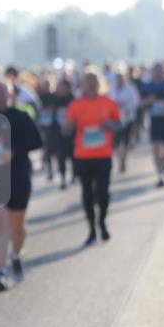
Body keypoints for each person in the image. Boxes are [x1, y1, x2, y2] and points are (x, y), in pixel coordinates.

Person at [0, 81, 44, 290]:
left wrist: (14, 151)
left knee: (16, 228)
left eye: (2, 92)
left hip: (18, 176)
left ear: (10, 95)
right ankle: (0, 271)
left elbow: (37, 142)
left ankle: (16, 255)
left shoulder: (21, 117)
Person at [64, 69, 121, 246]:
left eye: (94, 81)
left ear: (99, 83)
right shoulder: (75, 105)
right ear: (82, 84)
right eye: (87, 81)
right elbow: (65, 129)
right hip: (83, 156)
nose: (91, 84)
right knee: (87, 194)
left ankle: (102, 221)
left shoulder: (108, 103)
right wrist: (70, 126)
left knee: (103, 193)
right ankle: (91, 229)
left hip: (103, 155)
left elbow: (119, 124)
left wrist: (109, 125)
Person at [107, 71, 140, 173]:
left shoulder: (130, 88)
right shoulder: (112, 89)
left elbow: (136, 102)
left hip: (128, 119)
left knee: (125, 142)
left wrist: (126, 108)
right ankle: (120, 160)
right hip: (116, 120)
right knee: (117, 143)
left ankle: (123, 160)